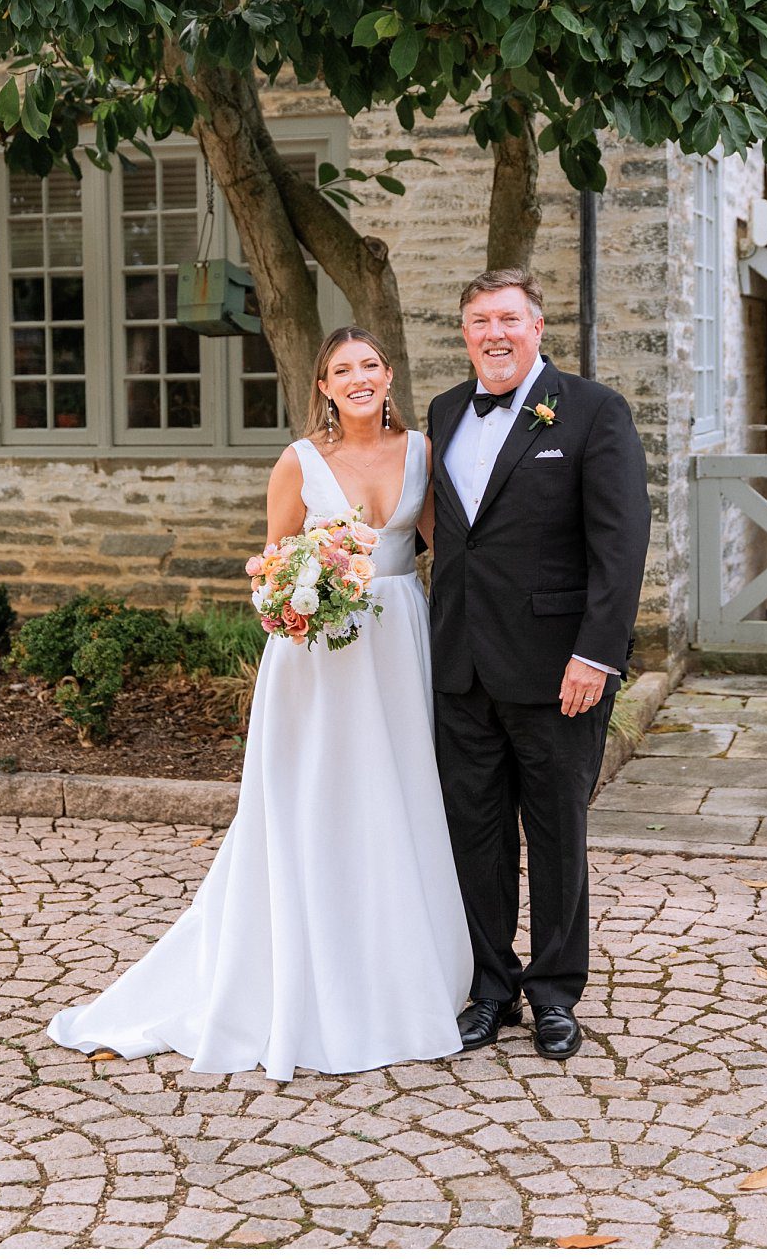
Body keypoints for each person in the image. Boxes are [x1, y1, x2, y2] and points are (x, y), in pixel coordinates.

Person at [47, 327, 471, 1082]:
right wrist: (306, 600)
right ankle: (292, 966)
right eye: (342, 370)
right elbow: (270, 571)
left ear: (388, 375)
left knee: (397, 791)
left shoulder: (423, 453)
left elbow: (444, 549)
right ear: (323, 387)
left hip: (399, 637)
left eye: (369, 365)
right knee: (313, 799)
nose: (359, 378)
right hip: (316, 656)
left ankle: (400, 967)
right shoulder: (299, 462)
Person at [425, 268, 650, 1060]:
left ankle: (554, 993)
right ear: (463, 333)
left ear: (537, 327)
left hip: (560, 669)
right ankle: (492, 989)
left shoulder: (593, 412)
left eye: (508, 319)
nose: (494, 332)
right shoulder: (445, 411)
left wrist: (596, 654)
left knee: (556, 834)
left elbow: (618, 549)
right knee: (475, 836)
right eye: (479, 319)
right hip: (458, 667)